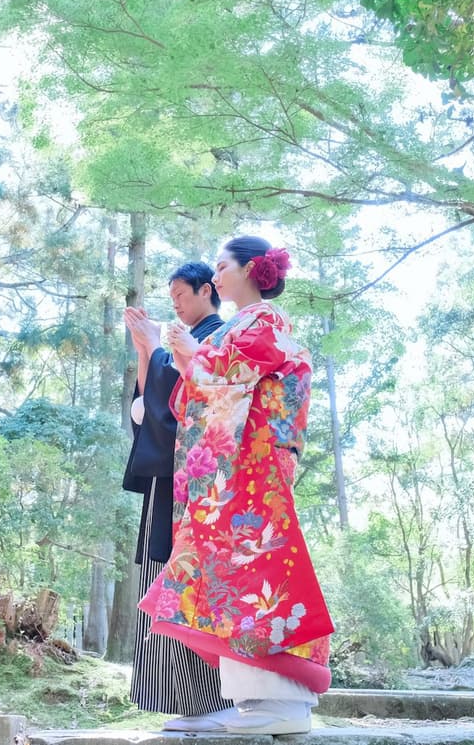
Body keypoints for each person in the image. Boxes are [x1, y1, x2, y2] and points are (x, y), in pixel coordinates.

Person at [140, 236, 333, 735]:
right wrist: (190, 362)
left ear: (250, 269)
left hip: (256, 462)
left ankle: (282, 702)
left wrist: (194, 357)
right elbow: (204, 391)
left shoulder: (266, 320)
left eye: (223, 266)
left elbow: (233, 373)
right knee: (230, 573)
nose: (217, 274)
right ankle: (259, 700)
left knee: (256, 569)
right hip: (240, 465)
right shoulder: (244, 324)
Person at [121, 262, 233, 731]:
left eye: (181, 295)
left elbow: (189, 404)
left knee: (190, 580)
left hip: (200, 483)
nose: (176, 305)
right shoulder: (181, 342)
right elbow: (151, 409)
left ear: (207, 290)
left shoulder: (218, 338)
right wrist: (147, 352)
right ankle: (186, 702)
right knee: (160, 574)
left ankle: (212, 699)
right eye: (171, 298)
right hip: (169, 480)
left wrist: (155, 349)